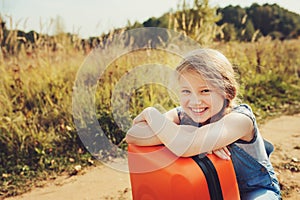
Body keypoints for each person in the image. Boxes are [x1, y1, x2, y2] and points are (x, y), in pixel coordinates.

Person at [126, 48, 281, 199]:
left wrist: (153, 116)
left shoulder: (240, 120)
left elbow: (185, 146)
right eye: (186, 91)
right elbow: (133, 135)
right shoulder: (182, 114)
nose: (195, 101)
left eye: (205, 91)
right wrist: (190, 132)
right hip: (213, 189)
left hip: (253, 191)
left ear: (228, 92)